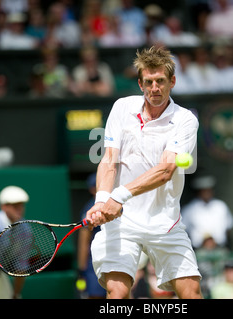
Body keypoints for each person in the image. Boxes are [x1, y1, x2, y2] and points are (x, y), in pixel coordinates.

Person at [86, 46, 202, 299]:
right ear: (140, 83)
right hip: (122, 223)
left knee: (191, 293)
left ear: (172, 81)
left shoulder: (185, 120)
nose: (155, 88)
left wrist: (118, 197)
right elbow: (109, 159)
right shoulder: (121, 108)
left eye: (160, 81)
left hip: (165, 223)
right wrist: (101, 200)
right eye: (148, 82)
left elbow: (165, 171)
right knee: (117, 294)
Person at [182, 175, 233, 250]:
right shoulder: (189, 209)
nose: (207, 192)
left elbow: (229, 227)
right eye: (204, 190)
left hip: (219, 248)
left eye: (209, 190)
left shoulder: (220, 206)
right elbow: (183, 230)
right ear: (199, 191)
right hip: (199, 250)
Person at [77, 173, 106, 299]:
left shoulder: (115, 206)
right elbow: (84, 242)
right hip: (94, 264)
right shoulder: (89, 209)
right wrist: (82, 270)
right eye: (96, 186)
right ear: (92, 189)